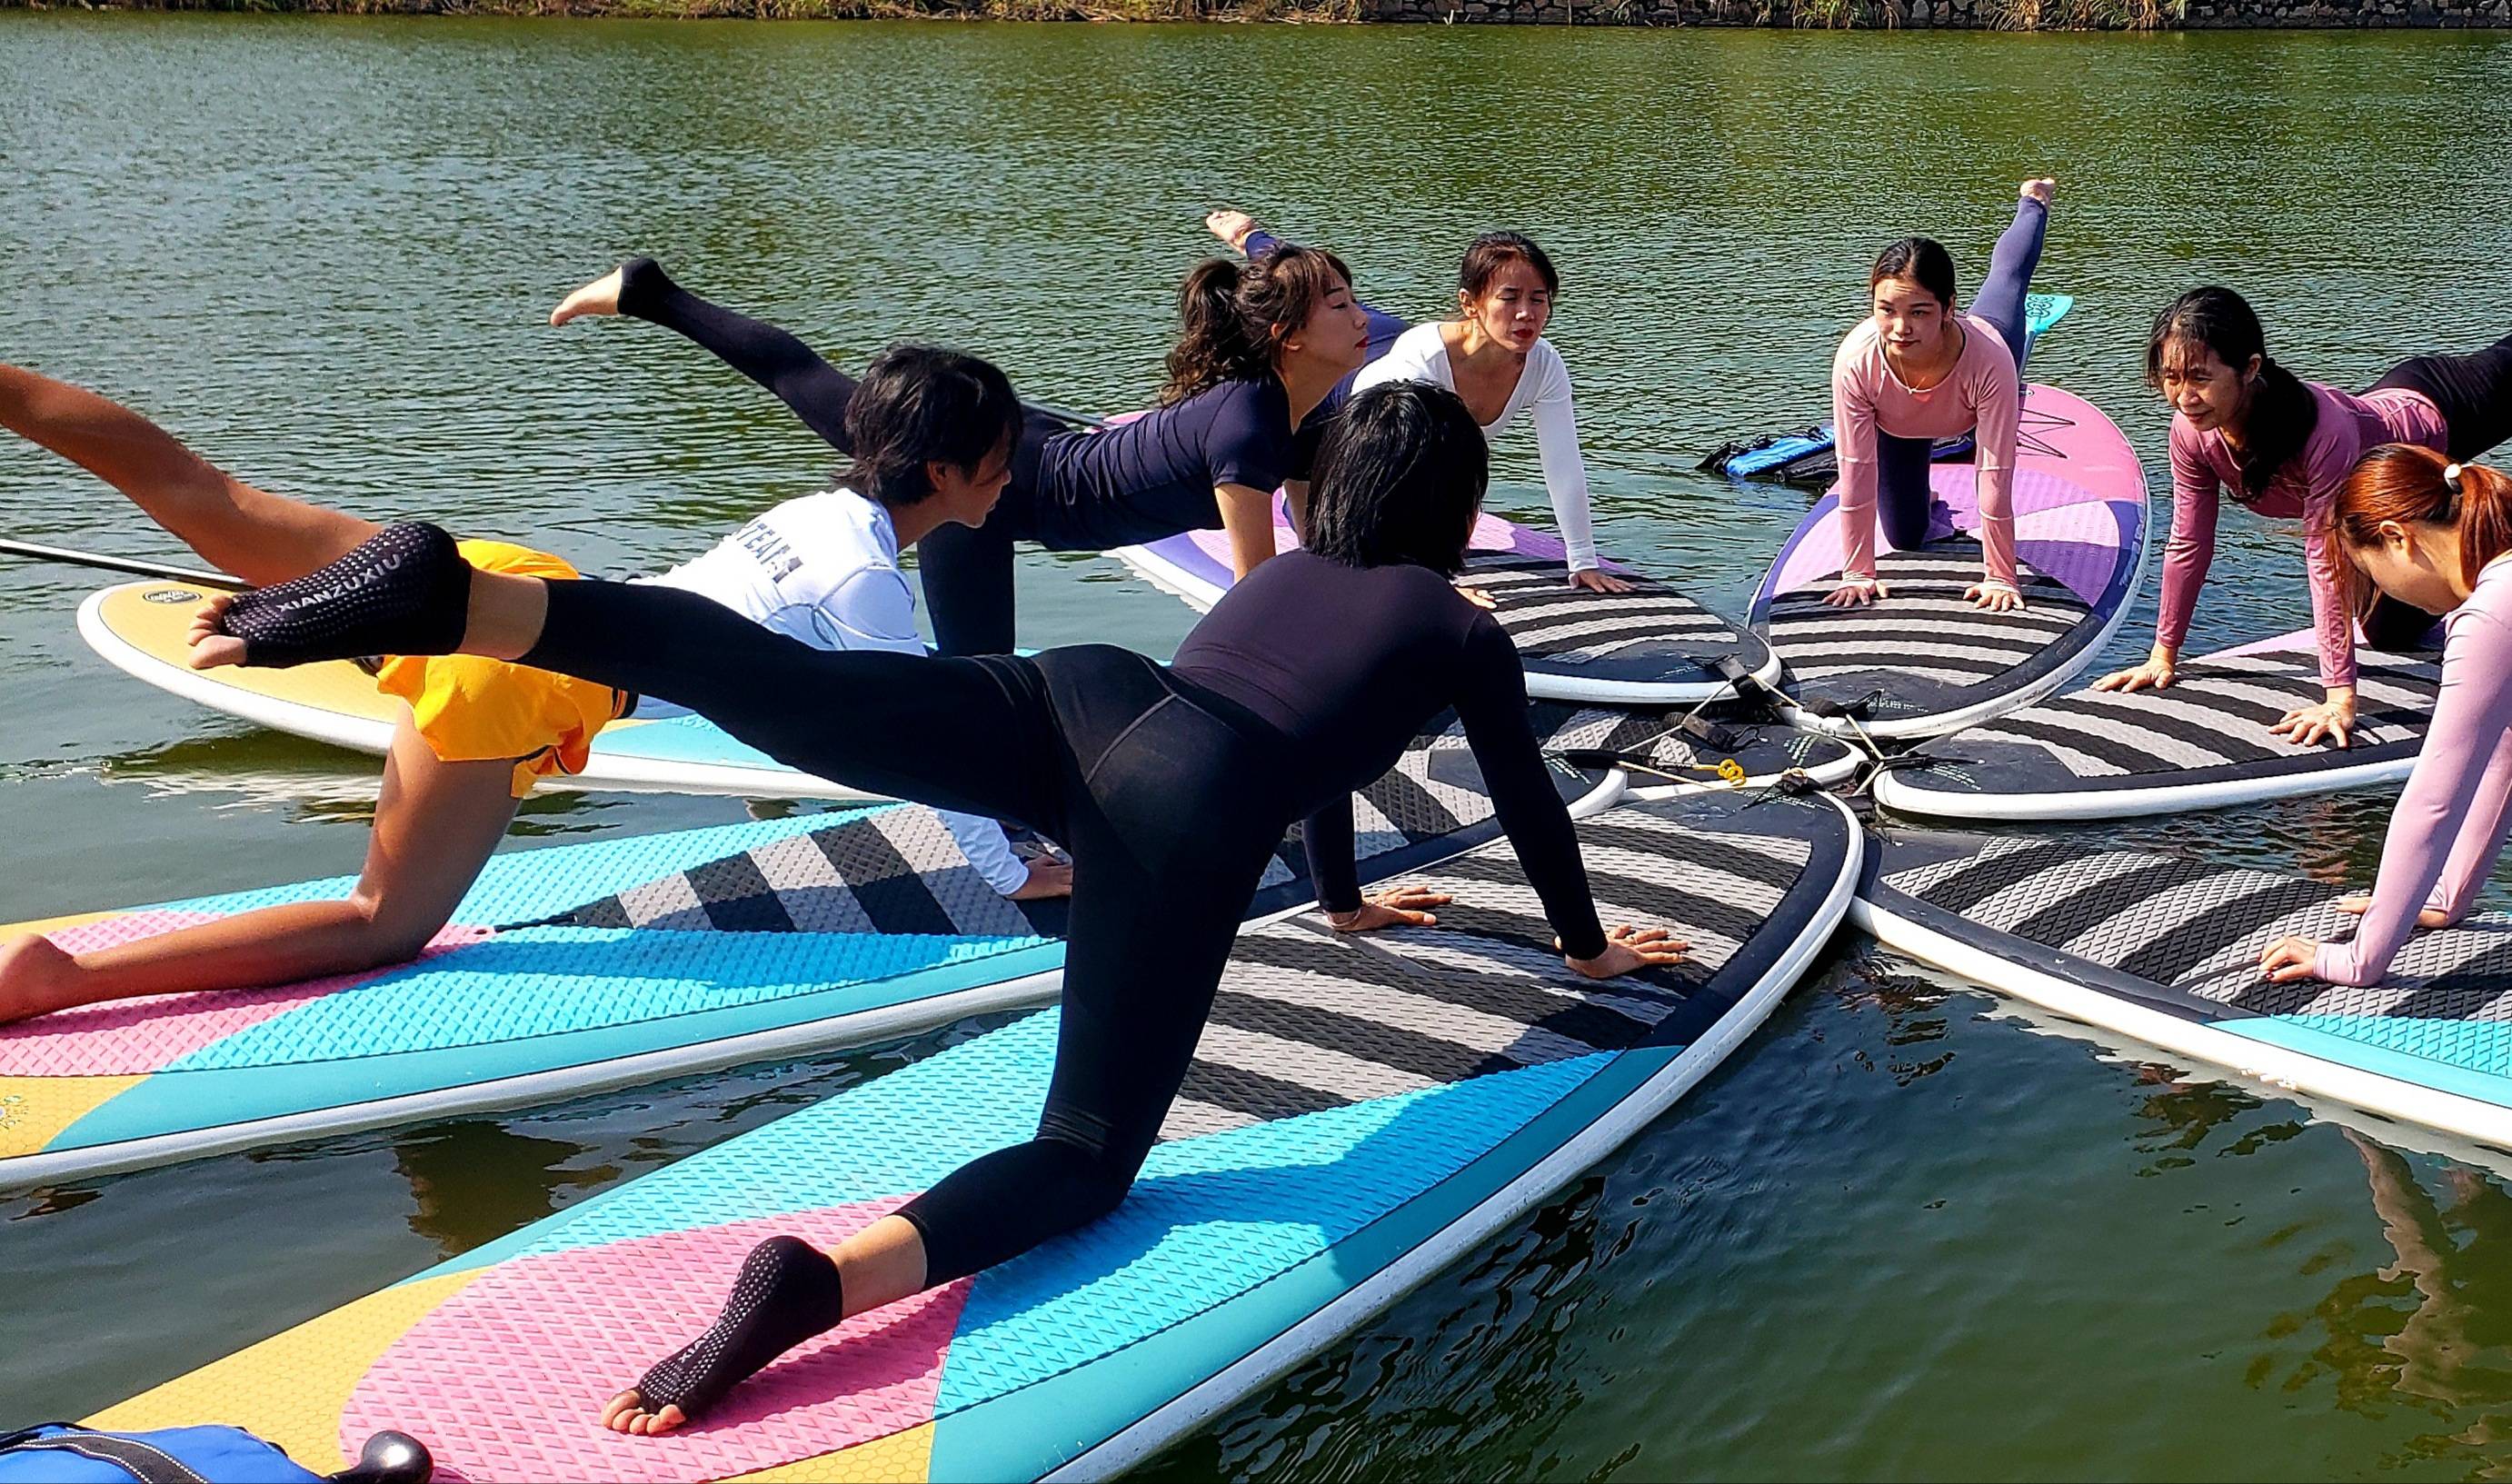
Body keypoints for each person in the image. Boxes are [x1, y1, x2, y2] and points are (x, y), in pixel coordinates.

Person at [191, 381, 1689, 1437]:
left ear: (1334, 486)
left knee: (782, 689)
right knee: (1085, 1158)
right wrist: (1583, 946)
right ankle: (822, 1282)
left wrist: (1349, 900)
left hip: (1086, 692)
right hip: (1177, 800)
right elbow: (1520, 800)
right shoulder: (1454, 621)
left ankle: (466, 597)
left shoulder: (1281, 578)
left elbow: (1311, 746)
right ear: (1458, 502)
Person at [0, 346, 1063, 1027]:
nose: (1011, 480)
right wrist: (1014, 877)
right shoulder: (871, 587)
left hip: (516, 581)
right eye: (1000, 461)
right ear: (940, 474)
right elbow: (936, 765)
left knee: (215, 500)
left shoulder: (816, 515)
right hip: (525, 683)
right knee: (380, 923)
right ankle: (61, 980)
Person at [548, 249, 1372, 658]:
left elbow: (1320, 548)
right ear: (1287, 335)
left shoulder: (1306, 413)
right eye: (1340, 302)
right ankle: (648, 291)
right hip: (988, 480)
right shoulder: (1251, 424)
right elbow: (1257, 593)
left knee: (981, 672)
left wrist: (1401, 595)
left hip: (1036, 455)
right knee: (805, 381)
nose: (1362, 312)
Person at [2095, 286, 2512, 750]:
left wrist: (2339, 698)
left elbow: (2326, 561)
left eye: (2199, 377)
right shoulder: (2193, 436)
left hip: (2448, 404)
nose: (2184, 396)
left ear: (2250, 369)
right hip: (2391, 471)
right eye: (2171, 377)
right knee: (2389, 633)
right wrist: (2163, 655)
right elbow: (2189, 543)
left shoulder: (2322, 430)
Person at [1206, 211, 1630, 593]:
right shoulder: (1419, 367)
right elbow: (1388, 479)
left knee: (1333, 296)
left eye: (1538, 299)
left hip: (1388, 338)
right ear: (1470, 303)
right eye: (1509, 297)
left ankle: (1251, 238)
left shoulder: (1544, 365)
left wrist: (1583, 560)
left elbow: (1563, 464)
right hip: (1335, 414)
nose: (1526, 314)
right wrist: (1433, 582)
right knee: (1304, 293)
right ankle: (1252, 239)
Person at [2259, 447, 2512, 987]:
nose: (2384, 596)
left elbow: (2436, 797)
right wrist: (2447, 895)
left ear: (2398, 537)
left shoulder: (2492, 611)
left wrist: (2358, 959)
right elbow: (2505, 757)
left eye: (2370, 574)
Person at [1823, 178, 2058, 616]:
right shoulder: (1857, 362)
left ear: (1949, 307)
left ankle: (2034, 202)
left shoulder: (1990, 359)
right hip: (1900, 422)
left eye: (1919, 312)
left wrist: (2001, 575)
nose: (1900, 328)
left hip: (1983, 371)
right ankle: (1926, 498)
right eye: (1886, 310)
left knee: (2008, 278)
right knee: (1905, 537)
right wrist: (1857, 572)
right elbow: (1854, 474)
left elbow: (1994, 474)